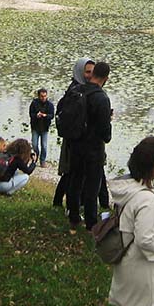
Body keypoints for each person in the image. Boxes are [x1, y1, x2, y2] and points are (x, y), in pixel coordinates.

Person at [107, 136, 154, 306]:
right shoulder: (146, 200)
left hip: (133, 268)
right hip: (147, 273)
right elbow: (145, 238)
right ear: (149, 164)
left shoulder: (130, 191)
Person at [66, 60, 113, 231]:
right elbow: (104, 132)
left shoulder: (76, 90)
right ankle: (91, 223)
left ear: (92, 74)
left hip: (75, 143)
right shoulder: (101, 98)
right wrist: (109, 122)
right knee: (92, 186)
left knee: (75, 180)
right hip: (93, 148)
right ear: (106, 78)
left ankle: (73, 216)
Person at [53, 57, 94, 207]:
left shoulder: (85, 89)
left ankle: (60, 202)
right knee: (72, 173)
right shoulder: (76, 91)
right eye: (88, 72)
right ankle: (70, 205)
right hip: (74, 140)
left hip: (78, 138)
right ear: (79, 71)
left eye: (93, 72)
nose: (90, 75)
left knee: (72, 173)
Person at [29, 87, 54, 166]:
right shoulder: (34, 103)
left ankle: (42, 160)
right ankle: (36, 157)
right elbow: (31, 114)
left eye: (45, 96)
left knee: (44, 146)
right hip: (35, 127)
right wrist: (36, 115)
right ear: (39, 96)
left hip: (45, 128)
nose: (43, 98)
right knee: (34, 145)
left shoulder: (50, 105)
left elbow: (52, 115)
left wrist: (45, 115)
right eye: (42, 96)